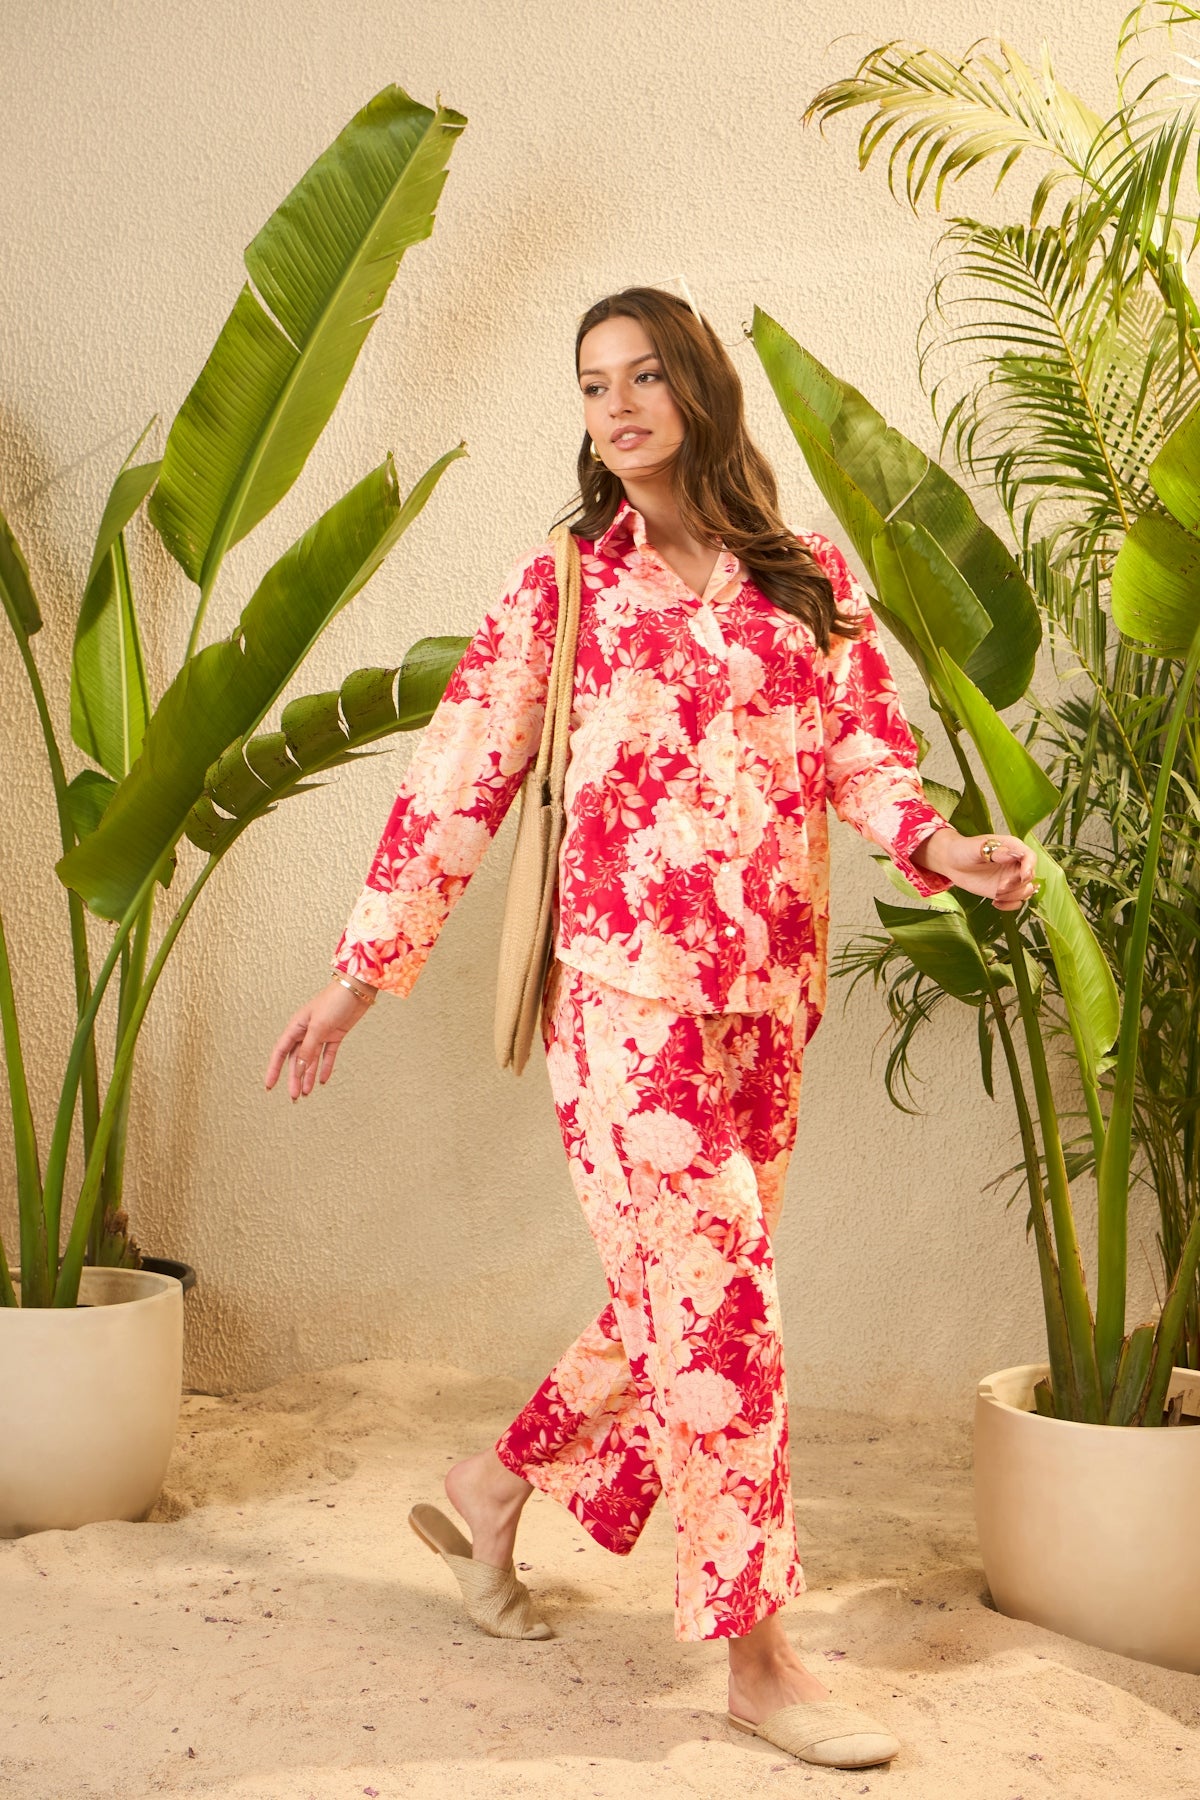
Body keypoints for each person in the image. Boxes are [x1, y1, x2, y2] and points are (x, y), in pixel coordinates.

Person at [264, 286, 1036, 1770]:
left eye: (642, 379)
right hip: (622, 1003)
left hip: (767, 1000)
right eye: (591, 385)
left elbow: (864, 757)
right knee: (727, 1314)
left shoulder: (805, 578)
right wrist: (359, 978)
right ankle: (762, 1662)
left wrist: (944, 849)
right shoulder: (560, 588)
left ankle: (493, 1490)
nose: (615, 408)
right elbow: (455, 786)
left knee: (677, 1302)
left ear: (697, 390)